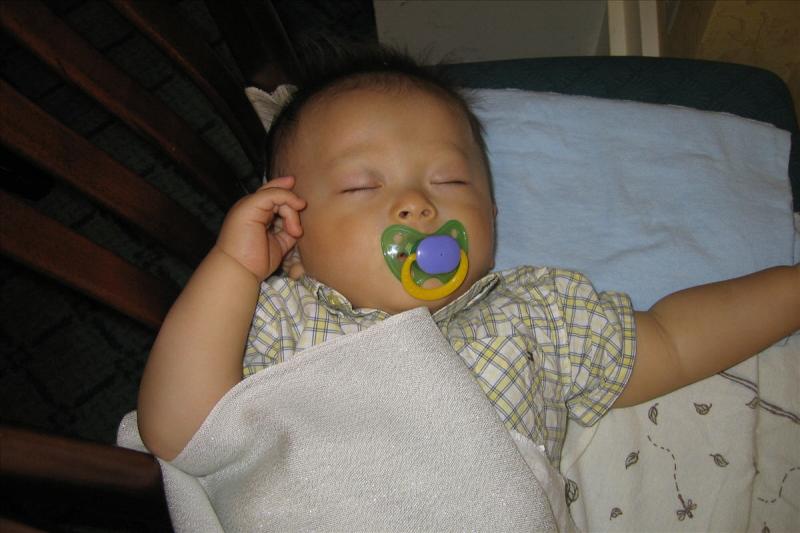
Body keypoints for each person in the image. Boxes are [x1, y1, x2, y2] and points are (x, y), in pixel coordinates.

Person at [137, 44, 799, 475]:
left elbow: (674, 340)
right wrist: (232, 270)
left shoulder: (537, 315)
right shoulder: (277, 319)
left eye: (449, 180)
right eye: (362, 186)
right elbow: (177, 430)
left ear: (493, 214)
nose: (416, 204)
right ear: (294, 238)